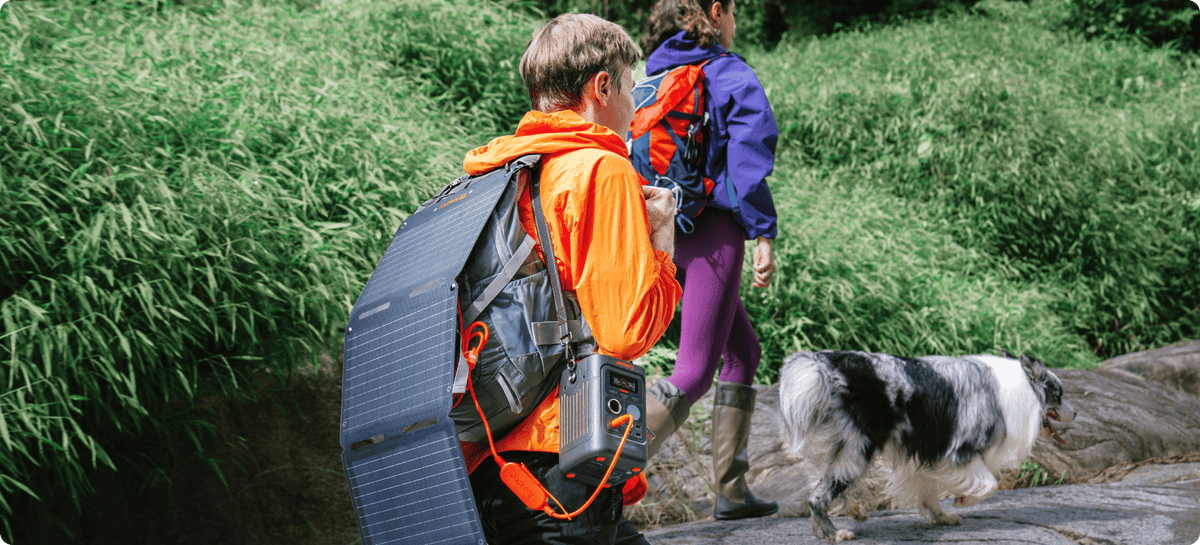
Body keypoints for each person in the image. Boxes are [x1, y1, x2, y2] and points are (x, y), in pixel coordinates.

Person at [457, 13, 684, 545]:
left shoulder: (503, 175)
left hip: (494, 465)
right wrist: (663, 242)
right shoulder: (599, 170)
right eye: (631, 88)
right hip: (561, 465)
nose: (636, 107)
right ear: (602, 87)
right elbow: (627, 332)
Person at [638, 0, 781, 521]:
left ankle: (732, 490)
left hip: (662, 233)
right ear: (715, 13)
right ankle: (598, 479)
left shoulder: (651, 77)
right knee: (695, 371)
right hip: (712, 233)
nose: (736, 22)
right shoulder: (728, 73)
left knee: (744, 351)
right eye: (734, 11)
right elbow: (748, 156)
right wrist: (762, 232)